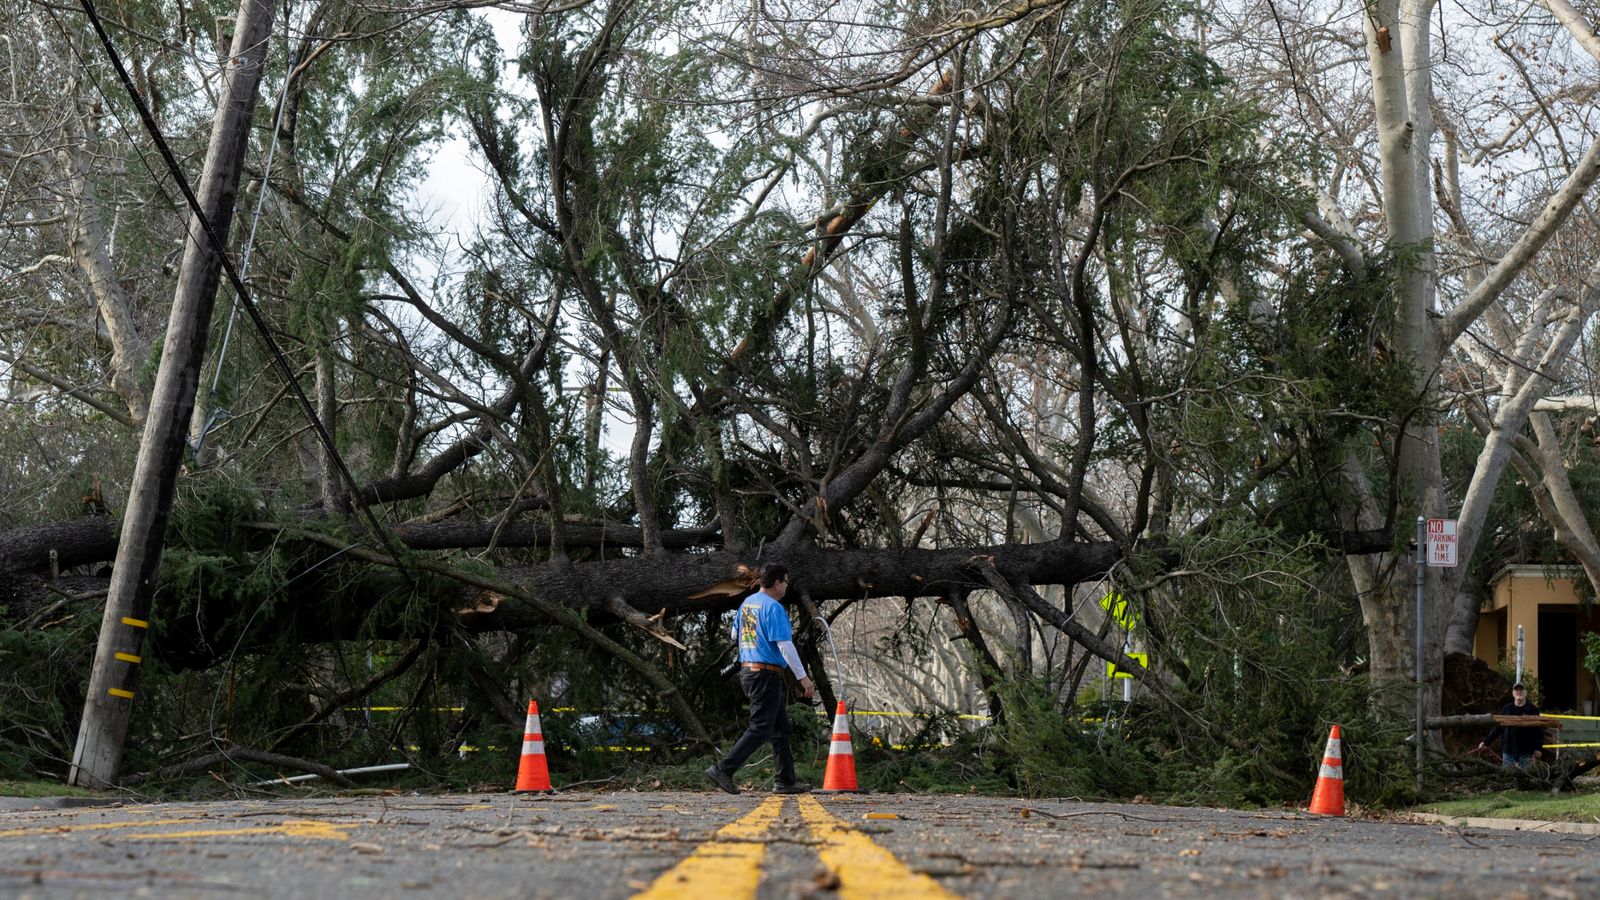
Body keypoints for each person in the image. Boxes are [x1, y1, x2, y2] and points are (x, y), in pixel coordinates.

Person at [705, 563, 815, 795]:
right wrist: (803, 678)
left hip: (749, 671)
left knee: (781, 728)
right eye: (786, 581)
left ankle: (785, 781)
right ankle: (723, 769)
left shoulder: (747, 604)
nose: (786, 586)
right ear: (777, 583)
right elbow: (785, 645)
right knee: (761, 728)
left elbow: (735, 635)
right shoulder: (773, 608)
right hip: (765, 674)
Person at [1477, 683, 1544, 769]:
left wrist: (1538, 748)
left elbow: (1538, 731)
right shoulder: (1507, 708)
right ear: (1513, 693)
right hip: (1508, 752)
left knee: (1526, 779)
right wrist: (1486, 742)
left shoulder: (1533, 709)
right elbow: (1499, 728)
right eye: (1516, 690)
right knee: (1508, 779)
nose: (1519, 692)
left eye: (1521, 690)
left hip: (1526, 752)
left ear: (1526, 693)